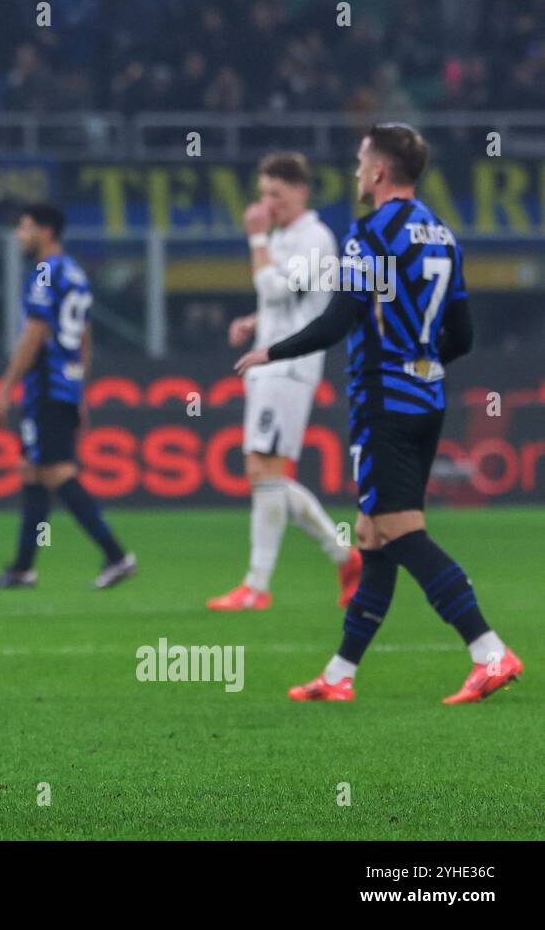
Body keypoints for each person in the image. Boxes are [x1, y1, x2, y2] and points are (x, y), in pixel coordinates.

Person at [235, 123, 522, 704]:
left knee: (398, 529)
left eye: (362, 160)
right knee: (372, 535)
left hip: (384, 403)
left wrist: (271, 349)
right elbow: (461, 336)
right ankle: (340, 674)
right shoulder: (441, 234)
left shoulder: (371, 233)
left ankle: (488, 649)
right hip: (426, 400)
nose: (356, 170)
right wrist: (419, 360)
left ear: (380, 171)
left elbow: (340, 319)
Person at [208, 152, 362, 612]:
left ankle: (257, 586)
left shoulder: (315, 237)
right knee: (266, 474)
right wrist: (255, 321)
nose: (268, 203)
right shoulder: (288, 236)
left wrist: (255, 238)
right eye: (263, 194)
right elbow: (291, 300)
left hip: (290, 365)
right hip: (270, 360)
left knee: (263, 470)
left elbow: (278, 288)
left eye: (276, 193)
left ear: (301, 190)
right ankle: (343, 557)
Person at [0, 203, 136, 591]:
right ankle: (22, 568)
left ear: (46, 231)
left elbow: (35, 333)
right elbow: (84, 335)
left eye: (25, 227)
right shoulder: (75, 272)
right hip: (65, 384)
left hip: (46, 384)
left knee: (55, 471)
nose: (20, 235)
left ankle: (117, 555)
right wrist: (79, 389)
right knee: (33, 471)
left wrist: (4, 389)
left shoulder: (44, 274)